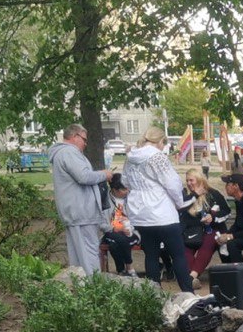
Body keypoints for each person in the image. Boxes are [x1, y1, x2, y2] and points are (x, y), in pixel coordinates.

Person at [122, 126, 194, 292]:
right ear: (160, 141)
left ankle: (154, 295)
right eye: (164, 143)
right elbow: (173, 183)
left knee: (151, 256)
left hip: (141, 215)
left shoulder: (130, 158)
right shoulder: (157, 157)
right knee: (178, 256)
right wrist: (178, 203)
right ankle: (189, 294)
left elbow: (125, 182)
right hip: (163, 213)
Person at [48, 123, 113, 273]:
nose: (85, 143)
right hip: (82, 213)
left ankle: (83, 289)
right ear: (74, 136)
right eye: (84, 139)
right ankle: (93, 289)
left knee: (78, 257)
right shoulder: (69, 152)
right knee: (89, 256)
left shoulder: (63, 153)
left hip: (76, 212)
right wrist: (105, 174)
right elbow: (83, 176)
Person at [181, 170, 231, 288]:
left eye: (191, 180)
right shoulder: (185, 196)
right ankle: (191, 277)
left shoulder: (213, 194)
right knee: (185, 246)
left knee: (208, 242)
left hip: (212, 229)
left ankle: (192, 276)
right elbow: (180, 213)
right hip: (191, 231)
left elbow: (226, 211)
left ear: (199, 180)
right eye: (187, 180)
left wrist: (212, 217)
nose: (189, 183)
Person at [99, 177, 138, 277]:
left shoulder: (132, 198)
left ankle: (121, 270)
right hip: (111, 231)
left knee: (114, 244)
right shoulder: (104, 200)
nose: (127, 191)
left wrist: (130, 228)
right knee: (117, 240)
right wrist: (114, 228)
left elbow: (138, 217)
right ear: (114, 190)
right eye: (124, 189)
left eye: (127, 188)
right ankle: (129, 267)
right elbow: (101, 222)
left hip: (131, 231)